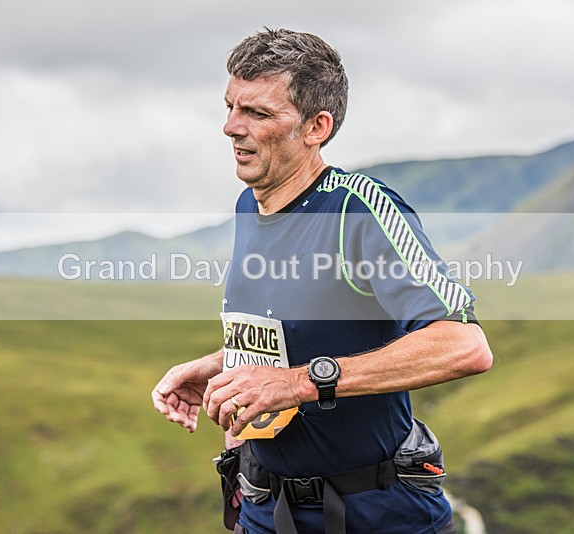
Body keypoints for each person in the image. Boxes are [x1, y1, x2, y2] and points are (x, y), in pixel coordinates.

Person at [152, 28, 493, 534]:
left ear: (316, 127)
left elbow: (463, 345)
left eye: (258, 114)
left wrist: (296, 383)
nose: (230, 127)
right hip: (266, 508)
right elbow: (304, 330)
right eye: (230, 107)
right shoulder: (251, 205)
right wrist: (226, 365)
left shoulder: (359, 211)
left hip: (378, 515)